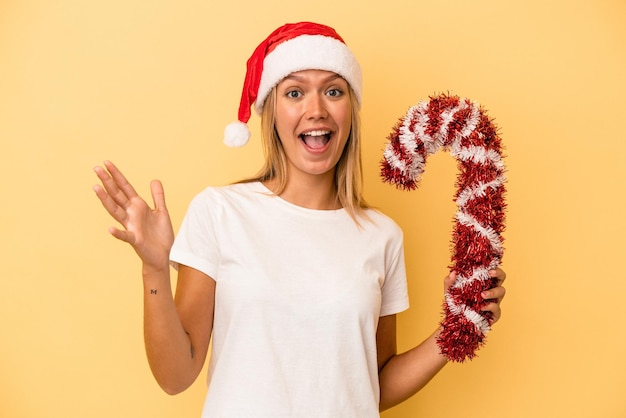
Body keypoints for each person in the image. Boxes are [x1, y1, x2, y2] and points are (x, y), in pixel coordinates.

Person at [93, 22, 506, 418]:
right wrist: (154, 269)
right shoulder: (220, 212)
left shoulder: (382, 236)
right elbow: (175, 376)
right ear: (271, 112)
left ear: (350, 110)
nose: (316, 110)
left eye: (333, 91)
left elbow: (371, 386)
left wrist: (459, 325)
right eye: (294, 92)